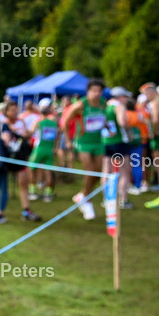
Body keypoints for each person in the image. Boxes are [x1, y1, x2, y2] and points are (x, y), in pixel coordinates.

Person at [61, 79, 108, 220]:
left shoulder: (103, 104)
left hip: (98, 142)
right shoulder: (80, 105)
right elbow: (65, 121)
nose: (97, 93)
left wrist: (107, 128)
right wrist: (68, 140)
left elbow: (102, 120)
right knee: (90, 170)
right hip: (83, 143)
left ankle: (82, 195)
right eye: (94, 90)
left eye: (99, 91)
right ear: (88, 91)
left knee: (98, 173)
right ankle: (87, 201)